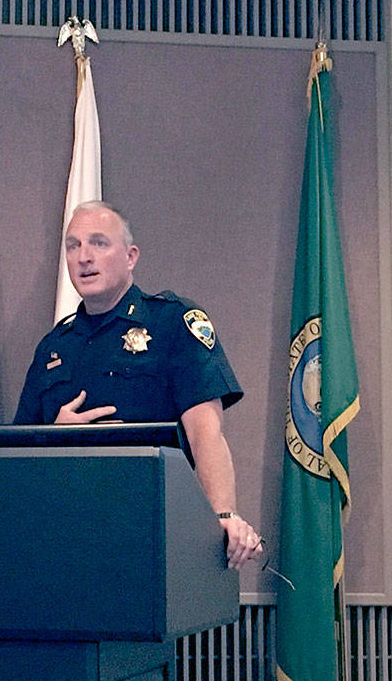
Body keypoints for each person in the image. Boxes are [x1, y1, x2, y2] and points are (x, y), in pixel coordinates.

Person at [14, 201, 264, 569]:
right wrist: (56, 437)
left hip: (149, 532)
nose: (84, 257)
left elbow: (206, 434)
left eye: (99, 243)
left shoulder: (172, 323)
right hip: (65, 539)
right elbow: (19, 454)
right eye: (73, 245)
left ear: (131, 257)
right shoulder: (54, 346)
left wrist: (223, 516)